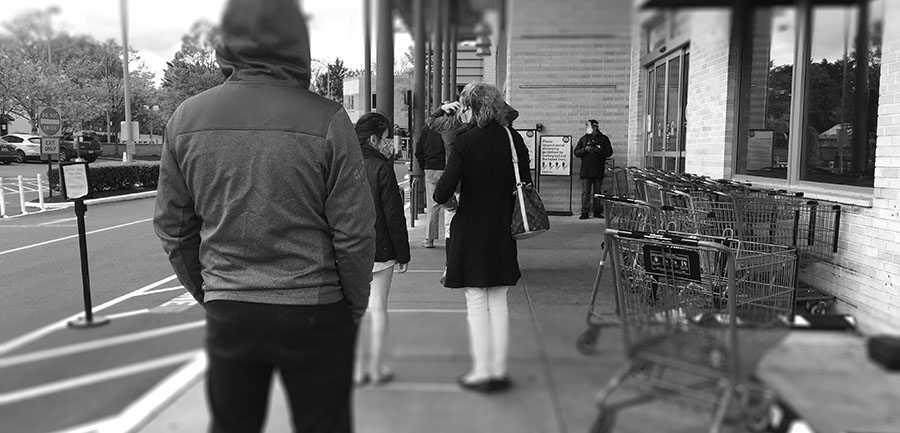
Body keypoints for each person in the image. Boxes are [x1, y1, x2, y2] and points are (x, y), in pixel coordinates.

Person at [152, 1, 376, 432]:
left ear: (228, 40)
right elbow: (355, 232)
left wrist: (212, 291)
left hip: (230, 308)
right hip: (314, 305)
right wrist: (354, 303)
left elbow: (174, 229)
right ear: (297, 41)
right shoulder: (328, 118)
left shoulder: (186, 119)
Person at [433, 82, 531, 394]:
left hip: (472, 228)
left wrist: (452, 200)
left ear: (472, 108)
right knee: (499, 301)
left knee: (476, 301)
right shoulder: (513, 139)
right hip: (503, 227)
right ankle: (498, 370)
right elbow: (525, 181)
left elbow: (442, 191)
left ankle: (481, 371)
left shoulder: (465, 141)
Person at [354, 112, 410, 386]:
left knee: (353, 312)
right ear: (374, 139)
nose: (390, 143)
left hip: (348, 250)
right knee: (378, 308)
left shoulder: (340, 164)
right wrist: (403, 253)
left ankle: (355, 370)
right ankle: (376, 369)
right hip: (380, 248)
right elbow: (393, 214)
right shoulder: (382, 168)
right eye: (387, 138)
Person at [414, 115, 449, 249]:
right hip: (447, 168)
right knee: (451, 206)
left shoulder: (428, 129)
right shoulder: (451, 128)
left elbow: (419, 149)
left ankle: (429, 239)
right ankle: (451, 237)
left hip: (431, 168)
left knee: (433, 205)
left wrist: (424, 166)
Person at [574, 119, 613, 219]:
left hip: (598, 169)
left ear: (595, 127)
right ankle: (585, 211)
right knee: (585, 192)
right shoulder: (583, 139)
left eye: (589, 126)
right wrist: (585, 149)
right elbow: (576, 152)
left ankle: (597, 211)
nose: (587, 128)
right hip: (586, 169)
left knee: (597, 192)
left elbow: (609, 152)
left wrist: (598, 150)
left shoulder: (603, 139)